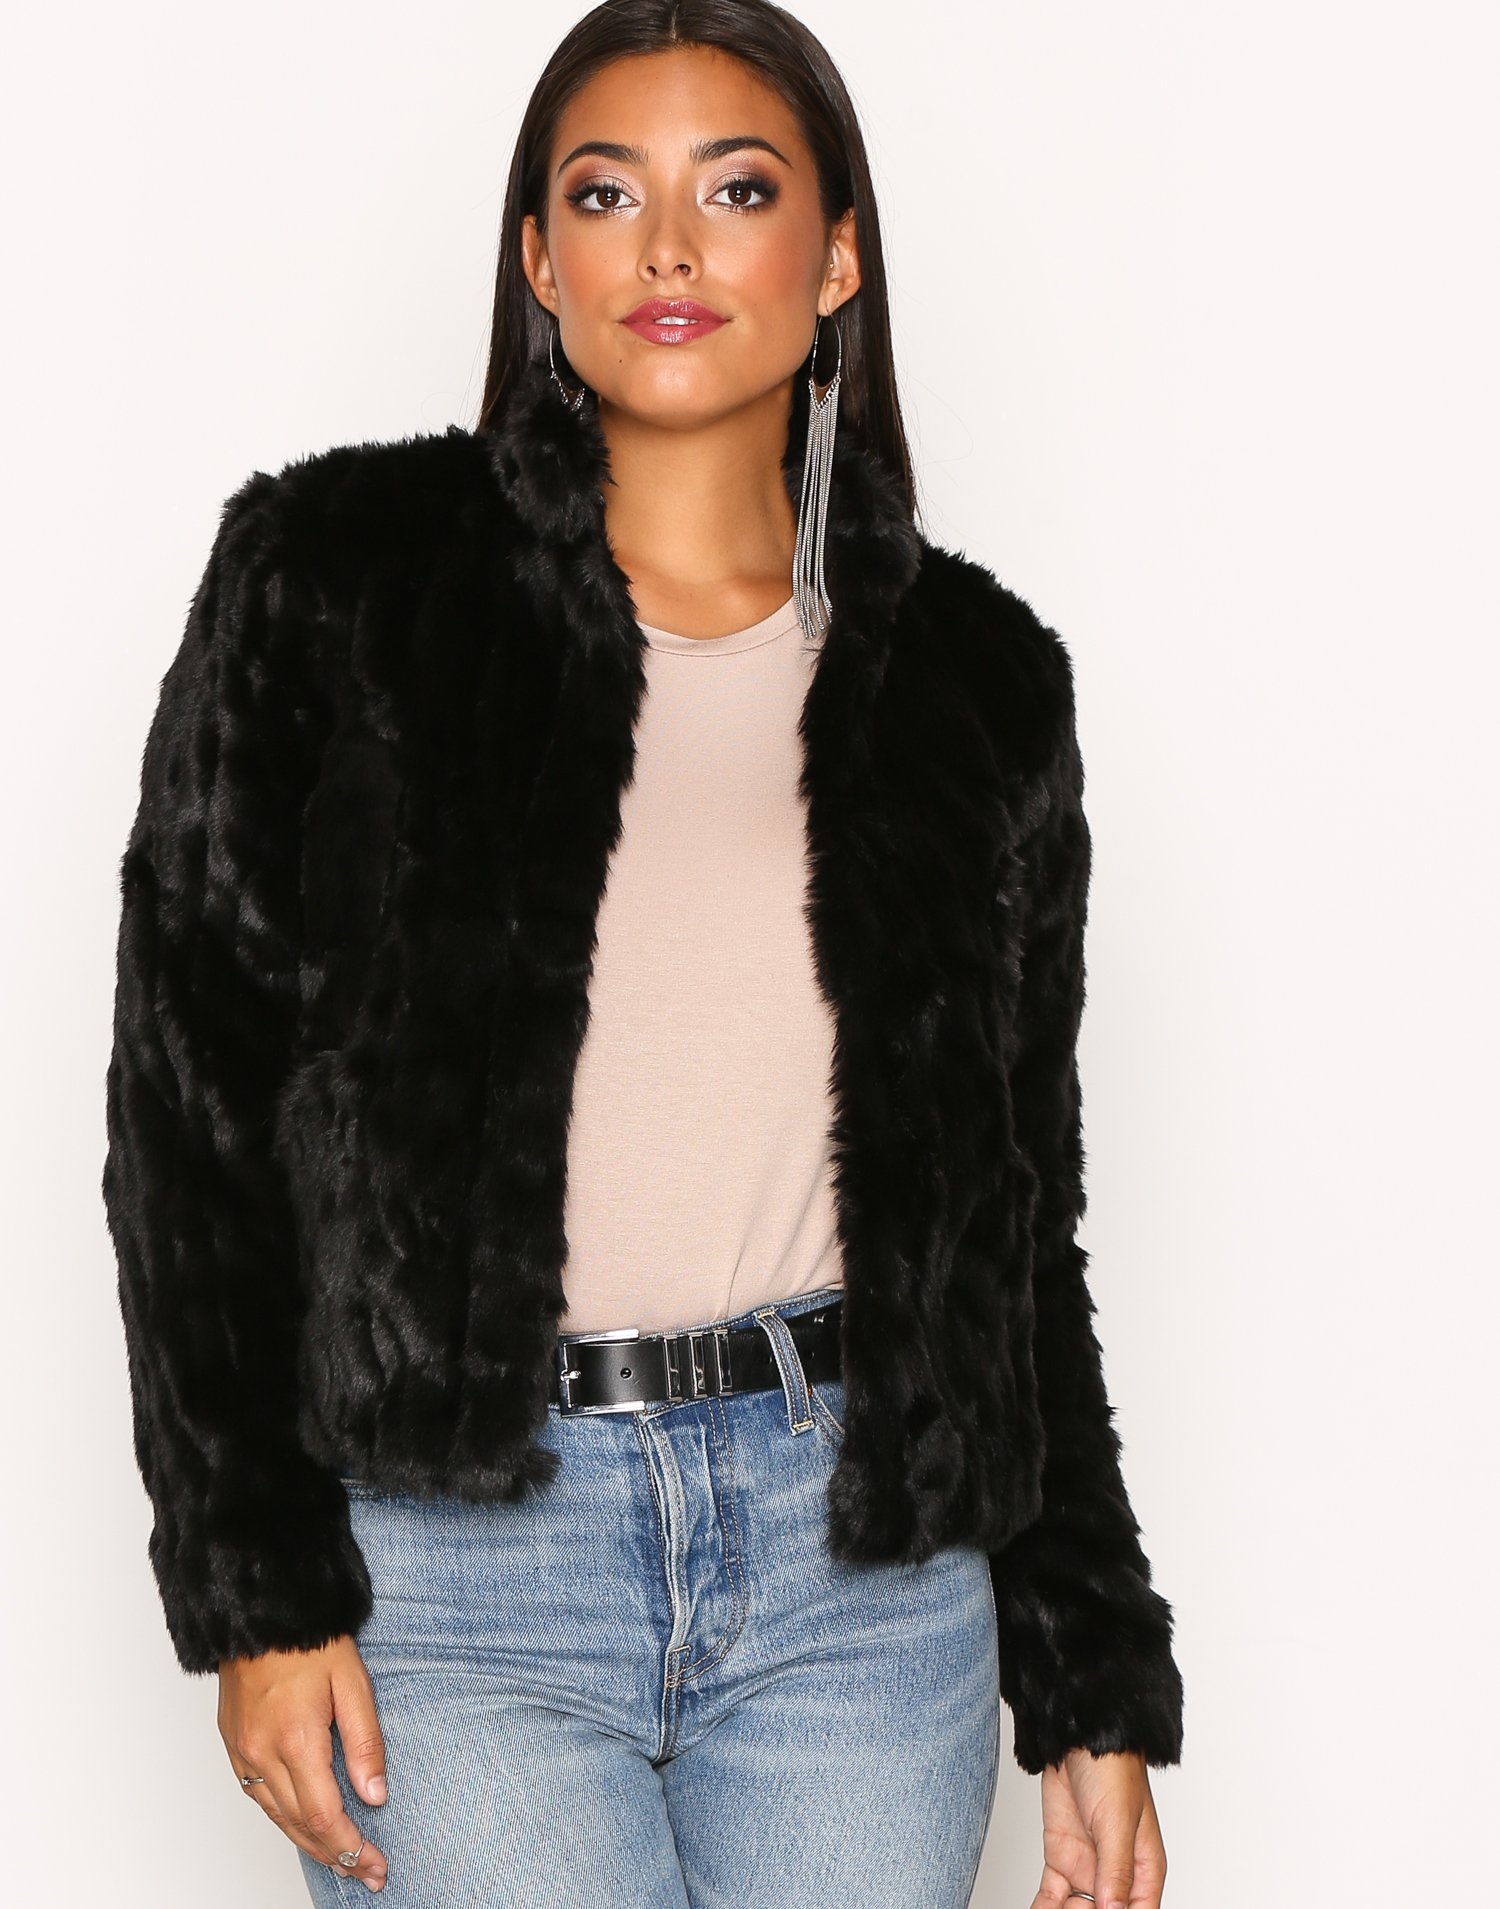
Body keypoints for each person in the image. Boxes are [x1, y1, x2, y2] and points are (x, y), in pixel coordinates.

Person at [101, 3, 1185, 1904]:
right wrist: (256, 1584)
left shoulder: (978, 687)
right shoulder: (335, 588)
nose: (668, 245)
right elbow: (188, 1121)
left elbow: (1017, 1223)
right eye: (605, 195)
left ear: (835, 258)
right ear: (540, 259)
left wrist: (1085, 1672)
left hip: (864, 1584)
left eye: (738, 190)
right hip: (460, 1567)